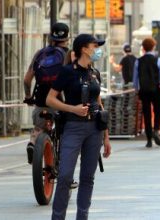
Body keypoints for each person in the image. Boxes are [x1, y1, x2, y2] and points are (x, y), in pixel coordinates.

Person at [47, 34, 112, 220]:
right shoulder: (68, 72)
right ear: (84, 48)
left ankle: (82, 217)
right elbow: (50, 99)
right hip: (73, 127)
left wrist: (106, 136)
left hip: (95, 129)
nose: (97, 49)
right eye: (95, 45)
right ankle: (58, 217)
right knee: (65, 176)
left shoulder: (94, 73)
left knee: (87, 178)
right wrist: (72, 109)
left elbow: (99, 104)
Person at [23, 22, 70, 164]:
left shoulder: (39, 54)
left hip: (42, 97)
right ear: (67, 38)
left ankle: (33, 142)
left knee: (39, 127)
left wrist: (28, 97)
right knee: (67, 133)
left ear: (51, 37)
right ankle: (64, 167)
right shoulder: (68, 55)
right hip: (60, 98)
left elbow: (27, 80)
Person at [133, 38, 160, 148]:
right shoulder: (159, 60)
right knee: (158, 111)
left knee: (146, 114)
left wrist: (137, 90)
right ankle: (156, 130)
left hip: (144, 90)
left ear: (143, 48)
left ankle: (148, 139)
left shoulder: (138, 61)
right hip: (156, 89)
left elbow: (135, 79)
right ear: (153, 47)